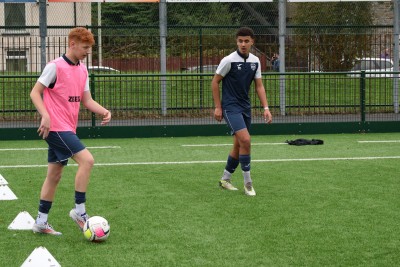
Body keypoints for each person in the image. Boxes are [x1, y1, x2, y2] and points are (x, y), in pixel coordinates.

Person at [30, 27, 111, 235]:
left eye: (89, 48)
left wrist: (104, 111)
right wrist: (45, 115)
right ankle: (80, 211)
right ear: (72, 44)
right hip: (56, 128)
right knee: (87, 160)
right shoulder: (54, 67)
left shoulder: (83, 70)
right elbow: (35, 93)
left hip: (67, 128)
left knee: (54, 175)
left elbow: (87, 100)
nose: (87, 51)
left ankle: (41, 221)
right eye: (84, 47)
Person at [211, 27, 273, 196]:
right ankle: (248, 183)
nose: (243, 44)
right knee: (245, 140)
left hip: (245, 107)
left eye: (246, 41)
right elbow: (215, 82)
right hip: (231, 107)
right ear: (236, 42)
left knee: (239, 145)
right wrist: (218, 107)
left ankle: (225, 179)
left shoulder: (255, 61)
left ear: (252, 42)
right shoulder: (228, 60)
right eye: (240, 41)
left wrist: (266, 108)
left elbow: (259, 86)